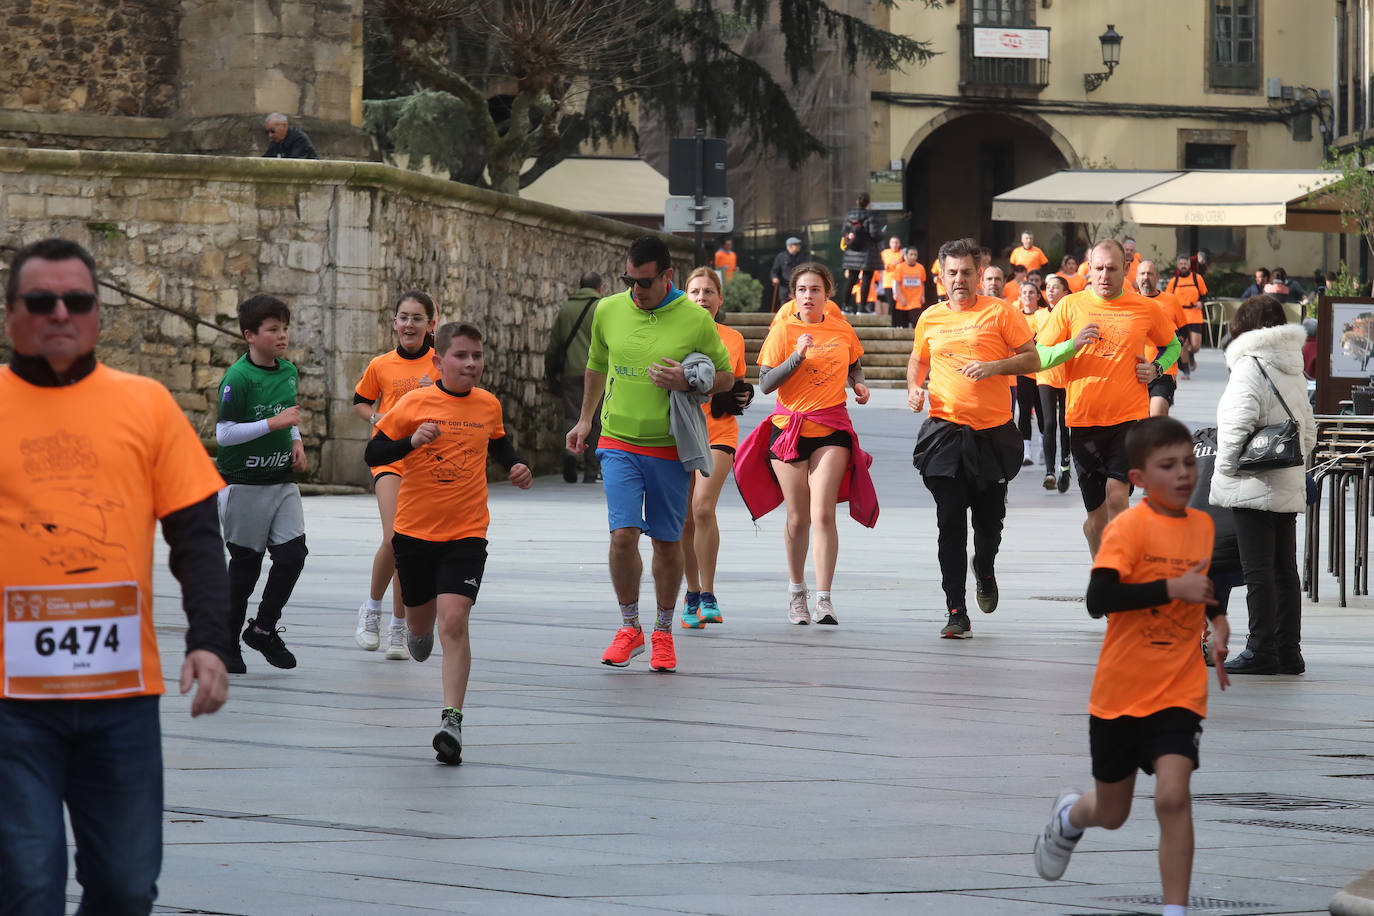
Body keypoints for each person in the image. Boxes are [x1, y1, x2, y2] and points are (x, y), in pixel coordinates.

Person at [0, 238, 230, 913]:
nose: (61, 313)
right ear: (12, 314)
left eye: (79, 301)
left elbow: (195, 536)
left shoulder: (147, 405)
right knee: (28, 887)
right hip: (12, 705)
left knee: (127, 888)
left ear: (100, 313)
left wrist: (210, 640)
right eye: (41, 302)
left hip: (121, 699)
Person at [1034, 417, 1231, 916]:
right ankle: (1070, 816)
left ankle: (1175, 909)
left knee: (1172, 797)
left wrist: (1219, 620)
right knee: (1112, 811)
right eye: (1169, 466)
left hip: (1179, 690)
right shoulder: (1127, 528)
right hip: (1120, 693)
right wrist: (1169, 589)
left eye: (1189, 462)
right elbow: (1098, 599)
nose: (1185, 474)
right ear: (1139, 478)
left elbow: (1200, 587)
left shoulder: (1203, 526)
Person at [364, 322, 531, 763]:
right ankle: (417, 632)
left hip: (467, 533)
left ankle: (451, 720)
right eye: (461, 356)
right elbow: (374, 455)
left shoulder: (488, 405)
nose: (471, 364)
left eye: (477, 356)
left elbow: (499, 445)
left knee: (454, 620)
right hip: (415, 533)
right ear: (439, 361)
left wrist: (516, 467)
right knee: (422, 631)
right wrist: (408, 441)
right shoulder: (414, 403)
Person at [567, 236, 735, 673]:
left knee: (665, 540)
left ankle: (662, 631)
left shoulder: (695, 319)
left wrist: (687, 379)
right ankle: (629, 627)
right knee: (622, 536)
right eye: (629, 281)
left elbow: (727, 377)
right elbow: (596, 364)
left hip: (668, 446)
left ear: (667, 277)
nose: (636, 291)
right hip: (618, 439)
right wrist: (586, 420)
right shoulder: (608, 309)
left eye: (644, 283)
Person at [908, 238, 1043, 639]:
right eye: (952, 273)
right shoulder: (930, 317)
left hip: (992, 436)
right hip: (945, 433)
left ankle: (984, 567)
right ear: (941, 276)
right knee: (949, 523)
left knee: (988, 525)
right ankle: (956, 611)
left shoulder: (1000, 312)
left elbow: (1032, 358)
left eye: (967, 272)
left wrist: (993, 367)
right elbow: (919, 359)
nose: (959, 280)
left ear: (979, 273)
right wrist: (914, 389)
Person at [738, 263, 875, 625]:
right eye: (802, 290)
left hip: (831, 428)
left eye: (815, 290)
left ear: (827, 294)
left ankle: (825, 599)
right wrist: (797, 356)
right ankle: (797, 593)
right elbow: (766, 384)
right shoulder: (783, 329)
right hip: (789, 430)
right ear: (793, 296)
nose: (809, 296)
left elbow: (854, 364)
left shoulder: (842, 329)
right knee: (798, 518)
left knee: (823, 512)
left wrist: (858, 384)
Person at [1036, 239, 1182, 556]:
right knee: (1096, 519)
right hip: (1083, 421)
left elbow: (1173, 346)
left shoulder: (1144, 308)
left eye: (1112, 269)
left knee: (1118, 494)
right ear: (1089, 269)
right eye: (1098, 268)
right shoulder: (1069, 306)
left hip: (1129, 421)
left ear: (1126, 269)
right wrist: (1072, 345)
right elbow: (1040, 356)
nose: (1104, 275)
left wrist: (1157, 368)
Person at [1210, 295, 1317, 675]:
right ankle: (1289, 650)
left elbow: (1237, 426)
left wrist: (1223, 472)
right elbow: (1308, 427)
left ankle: (1261, 649)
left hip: (1252, 480)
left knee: (1257, 570)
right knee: (1284, 569)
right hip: (1285, 478)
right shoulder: (1291, 366)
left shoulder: (1249, 366)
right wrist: (1296, 461)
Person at [215, 295, 309, 671]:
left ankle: (264, 629)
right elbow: (224, 435)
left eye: (285, 328)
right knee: (246, 568)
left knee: (293, 556)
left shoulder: (288, 371)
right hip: (243, 485)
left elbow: (288, 413)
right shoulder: (237, 378)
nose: (282, 336)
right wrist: (275, 425)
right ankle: (226, 644)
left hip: (281, 481)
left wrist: (296, 440)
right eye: (273, 330)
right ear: (250, 335)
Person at [353, 290, 439, 659]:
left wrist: (435, 392)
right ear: (394, 323)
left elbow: (460, 401)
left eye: (417, 318)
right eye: (403, 317)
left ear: (431, 324)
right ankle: (371, 610)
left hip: (424, 461)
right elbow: (361, 401)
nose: (409, 324)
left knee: (410, 543)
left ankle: (398, 629)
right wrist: (377, 419)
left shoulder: (441, 365)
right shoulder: (381, 365)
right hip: (389, 457)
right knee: (395, 536)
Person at [679, 267, 752, 628]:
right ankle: (691, 593)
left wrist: (741, 394)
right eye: (695, 292)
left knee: (703, 507)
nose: (702, 298)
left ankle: (708, 593)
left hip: (719, 431)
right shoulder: (671, 334)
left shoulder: (733, 337)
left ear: (720, 299)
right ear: (684, 296)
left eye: (709, 292)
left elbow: (736, 382)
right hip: (678, 432)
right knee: (685, 518)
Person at [545, 273, 604, 483]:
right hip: (597, 373)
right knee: (595, 421)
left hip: (571, 371)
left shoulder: (566, 309)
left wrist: (551, 375)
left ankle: (570, 453)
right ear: (600, 288)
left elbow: (554, 347)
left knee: (572, 416)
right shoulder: (602, 308)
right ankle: (591, 470)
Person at [1035, 274, 1073, 492]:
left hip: (1068, 375)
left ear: (1065, 293)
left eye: (1055, 287)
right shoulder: (1038, 315)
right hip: (1046, 375)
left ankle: (1064, 467)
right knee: (1049, 424)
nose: (1050, 291)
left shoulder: (1071, 313)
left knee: (1065, 424)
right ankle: (1049, 472)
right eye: (1047, 287)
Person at [1137, 260, 1189, 418]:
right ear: (1136, 278)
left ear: (1157, 277)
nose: (1146, 277)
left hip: (1163, 370)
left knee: (1157, 414)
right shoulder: (1130, 302)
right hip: (1135, 371)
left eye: (1150, 273)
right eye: (1142, 273)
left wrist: (1171, 349)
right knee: (1139, 420)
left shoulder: (1171, 300)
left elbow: (1183, 331)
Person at [1014, 282, 1047, 467]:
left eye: (1031, 292)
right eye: (1024, 292)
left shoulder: (1043, 314)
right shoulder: (1015, 315)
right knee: (1024, 411)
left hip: (1042, 370)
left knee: (1042, 412)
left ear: (1037, 296)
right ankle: (1026, 452)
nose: (1027, 295)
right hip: (1023, 370)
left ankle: (1043, 447)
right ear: (1020, 295)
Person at [840, 192, 884, 313]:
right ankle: (861, 308)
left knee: (851, 280)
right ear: (868, 203)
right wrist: (882, 233)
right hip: (867, 253)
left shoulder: (849, 215)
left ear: (857, 202)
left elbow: (844, 231)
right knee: (866, 280)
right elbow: (874, 234)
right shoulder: (871, 215)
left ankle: (845, 306)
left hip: (852, 252)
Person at [1165, 255, 1208, 379]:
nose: (1183, 265)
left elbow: (1204, 295)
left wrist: (1201, 302)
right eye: (1181, 263)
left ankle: (1190, 355)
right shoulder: (1174, 281)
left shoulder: (1197, 278)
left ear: (1189, 264)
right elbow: (1167, 299)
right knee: (1183, 344)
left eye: (1185, 263)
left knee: (1195, 346)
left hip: (1194, 315)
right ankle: (1185, 369)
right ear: (1178, 265)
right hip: (1179, 317)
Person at [890, 246, 926, 329]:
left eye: (915, 255)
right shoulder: (900, 267)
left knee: (916, 322)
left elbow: (922, 283)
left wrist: (923, 295)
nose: (913, 257)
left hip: (916, 300)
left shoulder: (920, 268)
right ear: (906, 256)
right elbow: (897, 284)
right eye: (911, 254)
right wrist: (901, 297)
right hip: (904, 299)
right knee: (904, 324)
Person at [769, 237, 806, 311]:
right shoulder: (781, 257)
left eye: (799, 244)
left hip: (799, 287)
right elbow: (774, 271)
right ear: (789, 246)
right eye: (796, 244)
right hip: (785, 288)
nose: (799, 246)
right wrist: (774, 278)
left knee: (799, 308)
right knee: (785, 308)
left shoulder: (802, 256)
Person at [879, 236, 903, 315]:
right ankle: (892, 321)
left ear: (899, 244)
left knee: (898, 303)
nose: (895, 244)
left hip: (900, 282)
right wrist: (883, 266)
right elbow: (879, 264)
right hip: (888, 281)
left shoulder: (902, 253)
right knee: (890, 302)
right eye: (893, 242)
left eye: (896, 242)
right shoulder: (884, 253)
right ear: (889, 244)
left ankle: (898, 322)